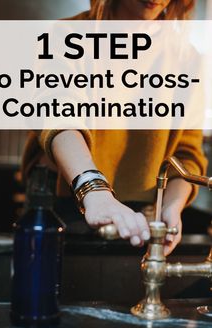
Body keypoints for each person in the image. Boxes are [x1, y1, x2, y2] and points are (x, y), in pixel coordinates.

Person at [22, 0, 207, 255]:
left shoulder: (188, 59)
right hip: (66, 201)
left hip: (140, 218)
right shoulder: (67, 34)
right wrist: (92, 187)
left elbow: (187, 154)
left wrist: (171, 207)